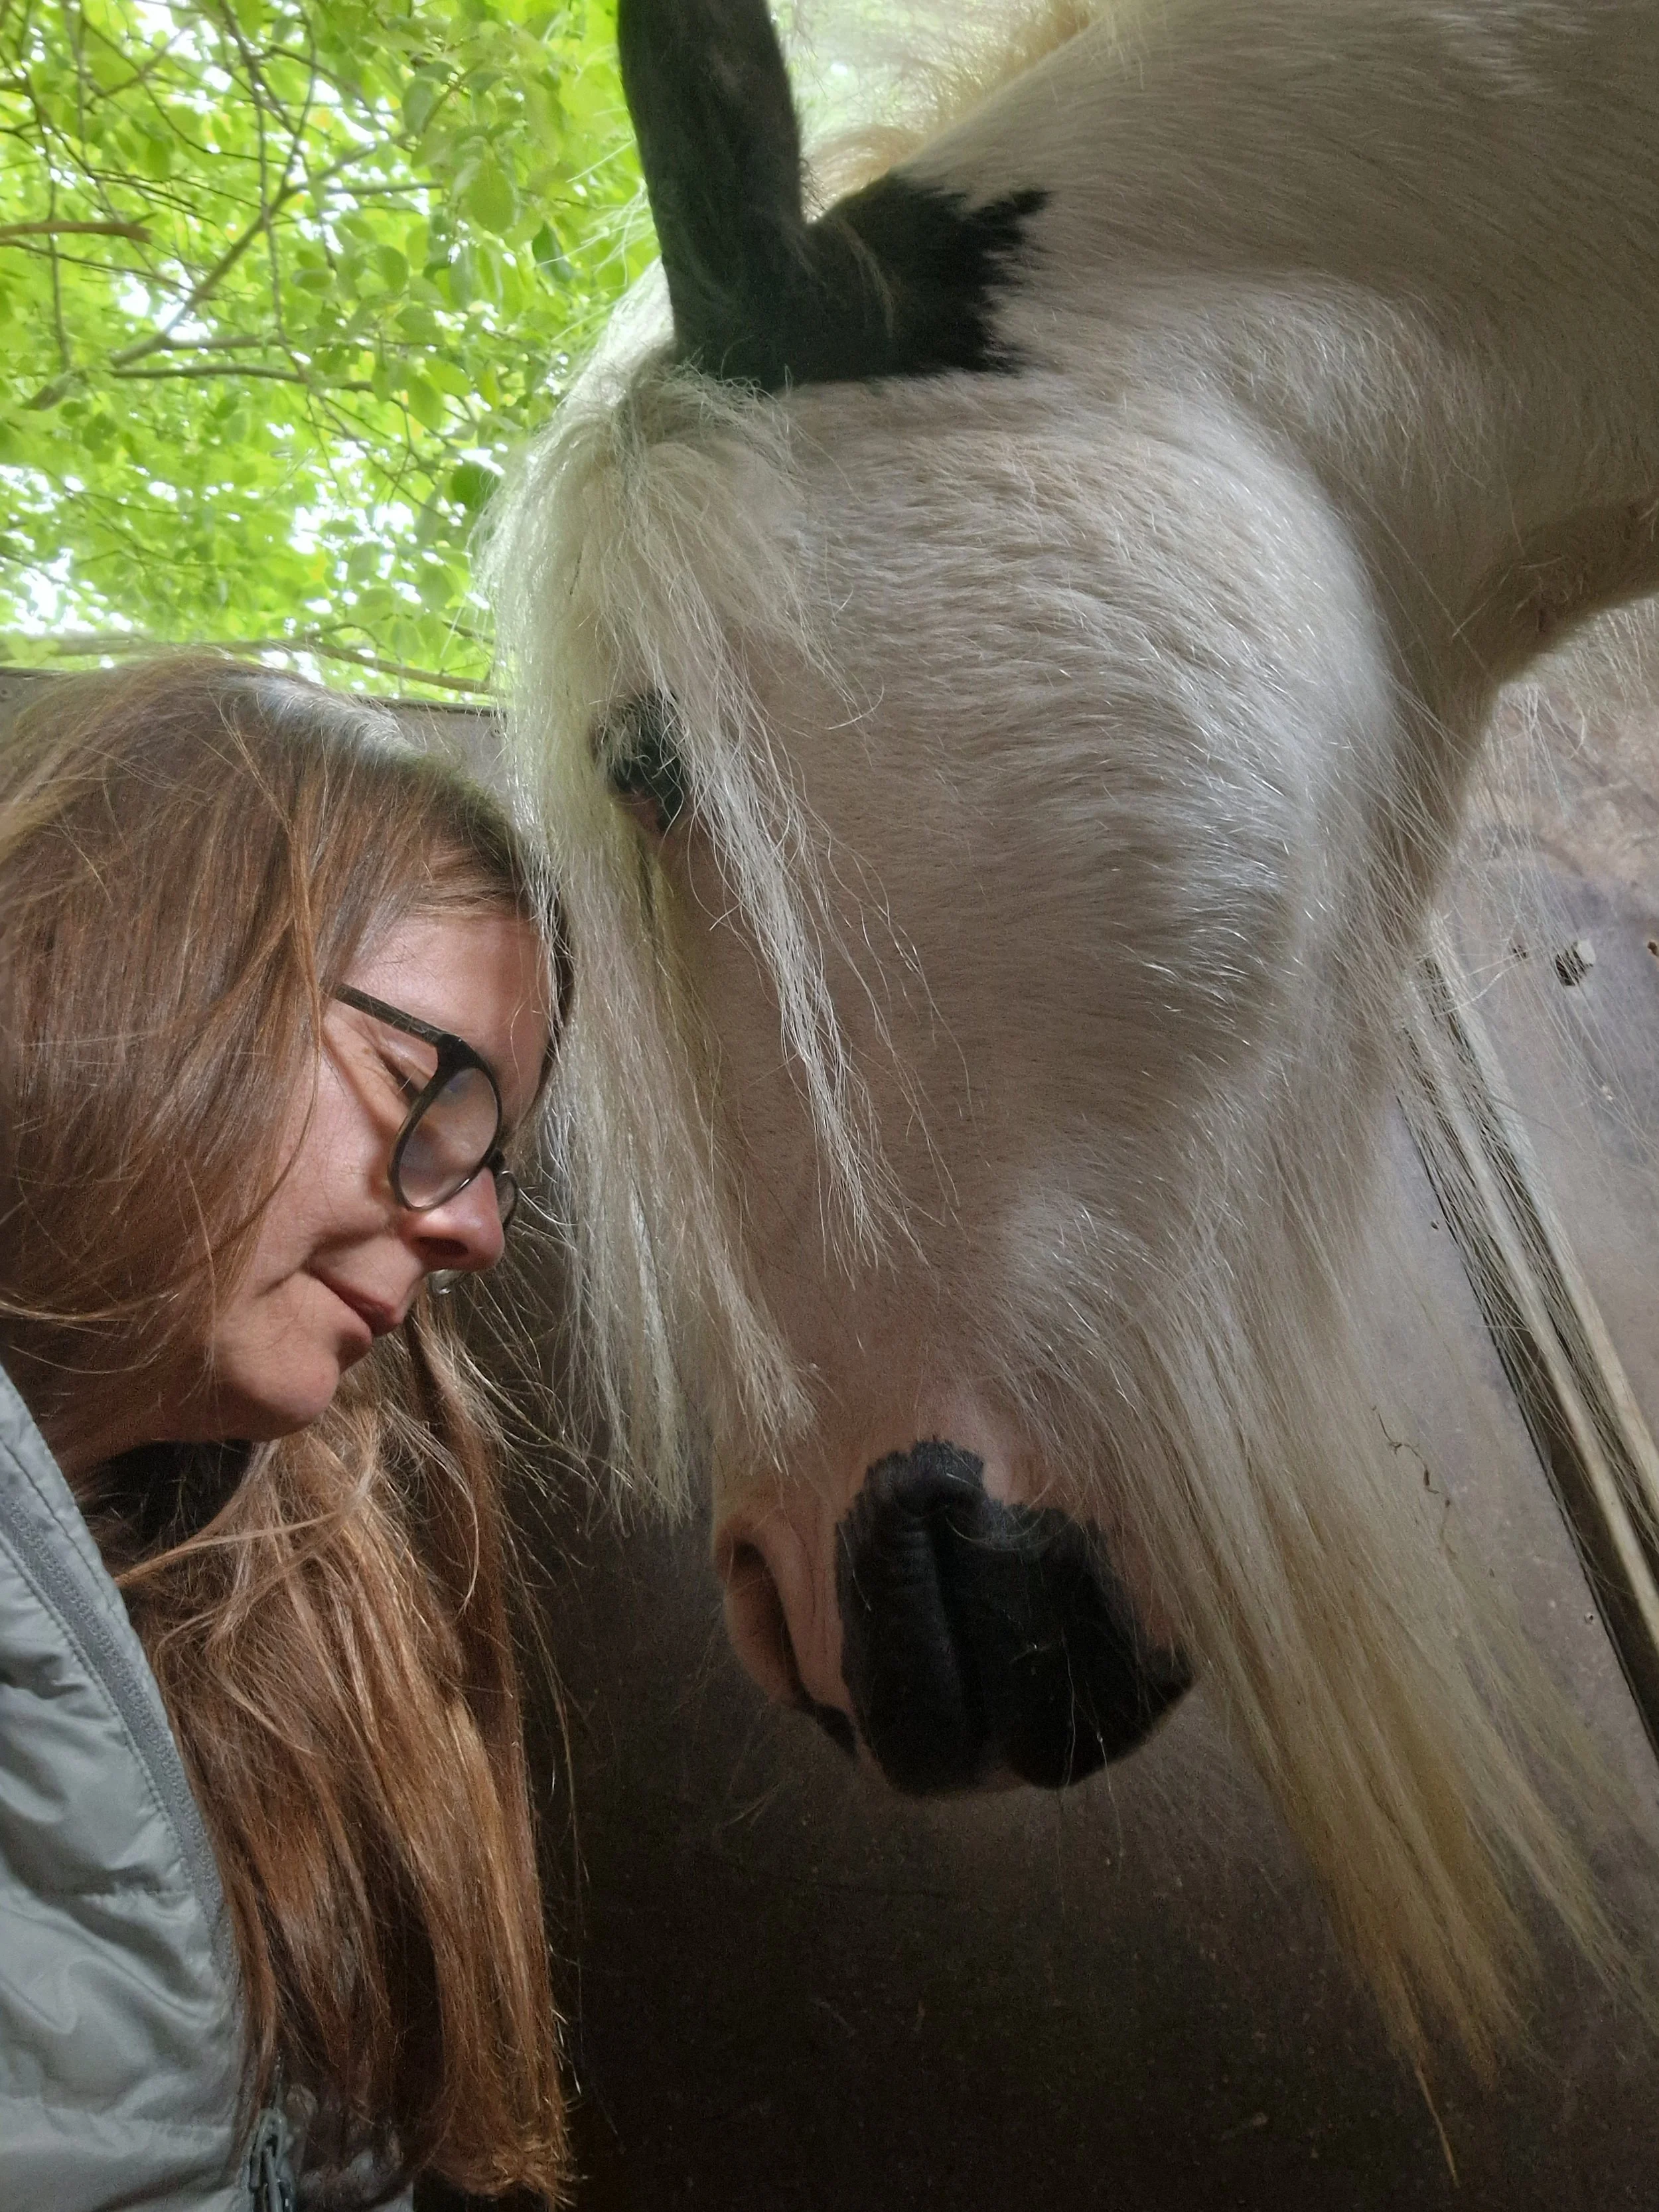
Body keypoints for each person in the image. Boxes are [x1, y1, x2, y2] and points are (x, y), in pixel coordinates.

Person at [0, 660, 571, 2210]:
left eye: (491, 1158)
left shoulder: (269, 1628)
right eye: (422, 1091)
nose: (475, 1230)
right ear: (157, 968)